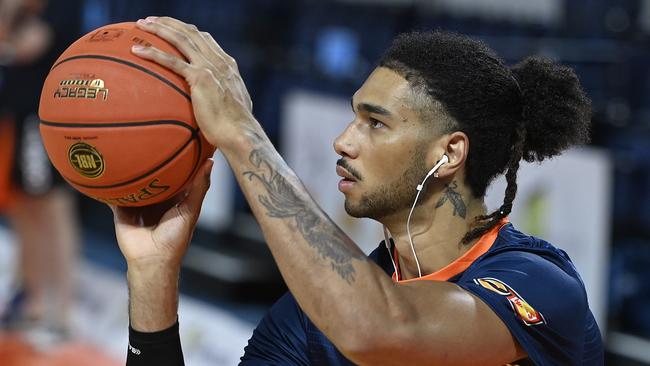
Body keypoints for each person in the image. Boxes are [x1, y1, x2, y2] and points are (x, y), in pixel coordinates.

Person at [114, 17, 603, 365]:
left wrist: (244, 136)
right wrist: (152, 276)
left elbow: (383, 331)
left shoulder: (537, 283)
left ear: (448, 154)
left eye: (375, 122)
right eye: (353, 116)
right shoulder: (313, 317)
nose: (343, 140)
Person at [0, 0, 81, 348]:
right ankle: (33, 304)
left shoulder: (60, 7)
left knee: (52, 208)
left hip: (44, 112)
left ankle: (60, 314)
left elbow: (27, 44)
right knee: (24, 210)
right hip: (14, 110)